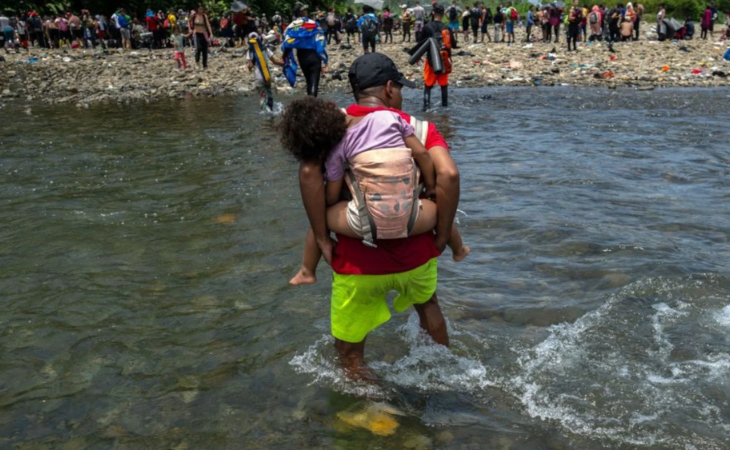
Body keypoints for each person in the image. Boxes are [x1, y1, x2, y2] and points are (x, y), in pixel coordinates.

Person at [290, 53, 462, 379]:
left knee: (350, 351)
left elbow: (310, 172)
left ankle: (373, 413)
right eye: (399, 88)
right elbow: (449, 176)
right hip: (417, 255)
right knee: (429, 309)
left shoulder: (333, 126)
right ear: (388, 89)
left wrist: (323, 237)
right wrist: (441, 236)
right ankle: (446, 376)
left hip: (359, 260)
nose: (401, 96)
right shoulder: (419, 127)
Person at [411, 4, 456, 110]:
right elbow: (453, 44)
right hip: (445, 60)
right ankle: (445, 107)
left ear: (433, 13)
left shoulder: (426, 27)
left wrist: (417, 57)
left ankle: (426, 107)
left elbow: (421, 44)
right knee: (444, 86)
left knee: (428, 85)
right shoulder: (447, 28)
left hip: (431, 60)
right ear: (444, 14)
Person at [281, 3, 328, 97]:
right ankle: (313, 105)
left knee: (308, 81)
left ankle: (309, 106)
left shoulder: (291, 26)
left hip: (302, 57)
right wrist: (324, 59)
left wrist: (284, 56)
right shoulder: (312, 23)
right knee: (314, 82)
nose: (307, 12)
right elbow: (320, 39)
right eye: (305, 10)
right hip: (314, 55)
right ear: (302, 12)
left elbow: (287, 43)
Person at [246, 32, 284, 112]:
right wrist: (283, 63)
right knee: (269, 95)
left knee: (262, 97)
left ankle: (265, 117)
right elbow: (275, 61)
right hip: (267, 76)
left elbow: (250, 67)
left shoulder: (250, 51)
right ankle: (271, 113)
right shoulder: (265, 49)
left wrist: (251, 64)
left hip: (259, 79)